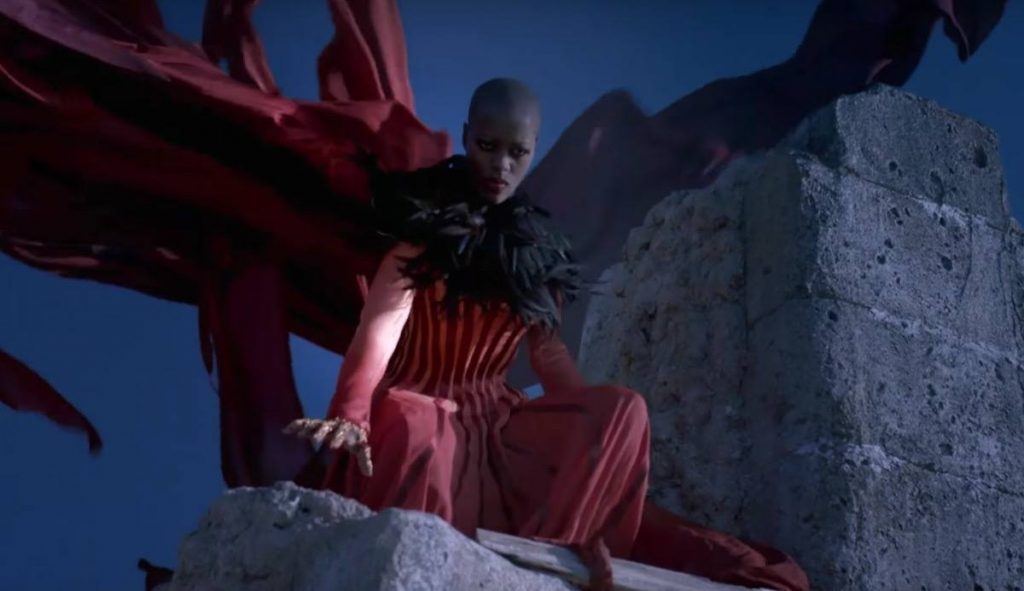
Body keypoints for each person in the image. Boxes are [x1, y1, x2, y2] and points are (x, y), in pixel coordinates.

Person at [285, 78, 809, 591]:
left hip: (496, 427)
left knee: (624, 409)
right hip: (417, 405)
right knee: (418, 424)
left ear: (534, 148)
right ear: (466, 137)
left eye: (517, 152)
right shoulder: (419, 243)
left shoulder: (536, 254)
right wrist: (351, 412)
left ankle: (548, 562)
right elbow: (379, 332)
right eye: (488, 146)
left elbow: (550, 358)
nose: (501, 165)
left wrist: (595, 437)